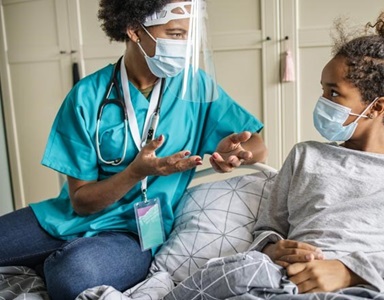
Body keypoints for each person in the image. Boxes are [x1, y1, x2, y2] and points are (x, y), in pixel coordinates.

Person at [0, 0, 267, 299]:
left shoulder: (195, 87)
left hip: (134, 232)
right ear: (134, 30)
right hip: (65, 218)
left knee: (71, 276)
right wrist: (135, 173)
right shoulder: (87, 95)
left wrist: (235, 153)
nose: (184, 45)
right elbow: (81, 202)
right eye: (176, 34)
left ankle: (65, 258)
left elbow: (256, 145)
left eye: (188, 36)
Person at [250, 0, 384, 298]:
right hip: (280, 285)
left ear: (376, 107)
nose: (322, 101)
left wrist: (351, 274)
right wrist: (273, 249)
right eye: (323, 90)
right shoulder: (305, 155)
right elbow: (266, 229)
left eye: (334, 93)